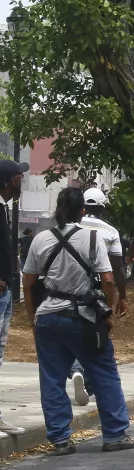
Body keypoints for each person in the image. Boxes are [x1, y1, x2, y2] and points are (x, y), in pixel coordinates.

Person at [22, 186, 134, 454]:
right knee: (103, 373)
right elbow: (108, 280)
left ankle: (61, 440)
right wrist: (107, 312)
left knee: (51, 379)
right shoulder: (92, 239)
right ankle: (114, 435)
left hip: (47, 318)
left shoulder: (40, 239)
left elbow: (28, 284)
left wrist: (32, 320)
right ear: (82, 211)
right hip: (83, 317)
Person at [67, 187, 129, 409]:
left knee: (75, 331)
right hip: (99, 290)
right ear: (103, 208)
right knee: (97, 333)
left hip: (72, 289)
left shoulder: (72, 227)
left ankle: (76, 371)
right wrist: (121, 297)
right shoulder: (111, 232)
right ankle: (88, 380)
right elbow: (117, 269)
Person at [0, 159, 29, 438]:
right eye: (21, 177)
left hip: (6, 291)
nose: (23, 182)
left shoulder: (4, 208)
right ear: (10, 180)